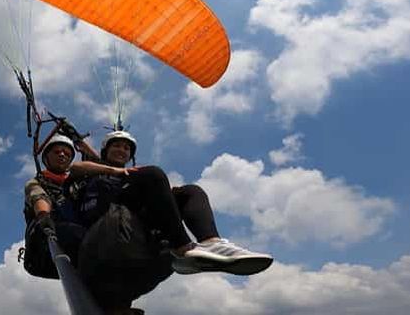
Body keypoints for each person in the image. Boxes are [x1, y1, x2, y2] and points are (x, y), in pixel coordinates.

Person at [69, 130, 273, 312]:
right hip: (105, 223)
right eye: (117, 146)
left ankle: (212, 243)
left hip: (132, 221)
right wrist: (113, 171)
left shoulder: (134, 177)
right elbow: (76, 168)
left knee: (190, 191)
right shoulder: (94, 170)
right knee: (152, 173)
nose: (122, 150)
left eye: (126, 148)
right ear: (105, 151)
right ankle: (183, 249)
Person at [21, 134, 90, 279]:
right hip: (44, 246)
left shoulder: (77, 183)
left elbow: (103, 165)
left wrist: (81, 143)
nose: (62, 155)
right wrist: (43, 216)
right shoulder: (36, 182)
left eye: (67, 153)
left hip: (78, 243)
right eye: (57, 152)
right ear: (46, 158)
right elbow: (39, 197)